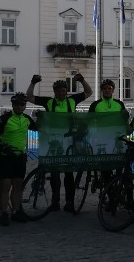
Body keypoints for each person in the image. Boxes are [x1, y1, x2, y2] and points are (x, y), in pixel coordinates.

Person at [26, 73, 93, 212]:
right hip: (53, 141)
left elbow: (88, 92)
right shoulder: (49, 102)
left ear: (67, 91)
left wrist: (82, 80)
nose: (61, 93)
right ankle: (55, 202)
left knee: (68, 174)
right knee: (55, 174)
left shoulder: (72, 100)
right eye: (58, 90)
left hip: (69, 141)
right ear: (54, 92)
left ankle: (69, 202)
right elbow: (30, 97)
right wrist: (33, 83)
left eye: (63, 90)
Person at [0, 92, 35, 226]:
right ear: (13, 105)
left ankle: (16, 211)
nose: (19, 107)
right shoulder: (6, 117)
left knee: (18, 186)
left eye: (22, 104)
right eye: (17, 104)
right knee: (6, 186)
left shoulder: (27, 119)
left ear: (25, 106)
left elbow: (39, 128)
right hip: (6, 156)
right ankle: (4, 213)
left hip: (20, 156)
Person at [88, 79, 128, 187]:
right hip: (102, 139)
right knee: (106, 169)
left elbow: (125, 119)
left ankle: (117, 186)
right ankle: (109, 193)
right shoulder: (95, 105)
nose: (107, 90)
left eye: (109, 88)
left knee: (120, 166)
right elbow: (88, 121)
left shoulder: (119, 104)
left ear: (113, 90)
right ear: (101, 90)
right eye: (104, 88)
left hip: (117, 139)